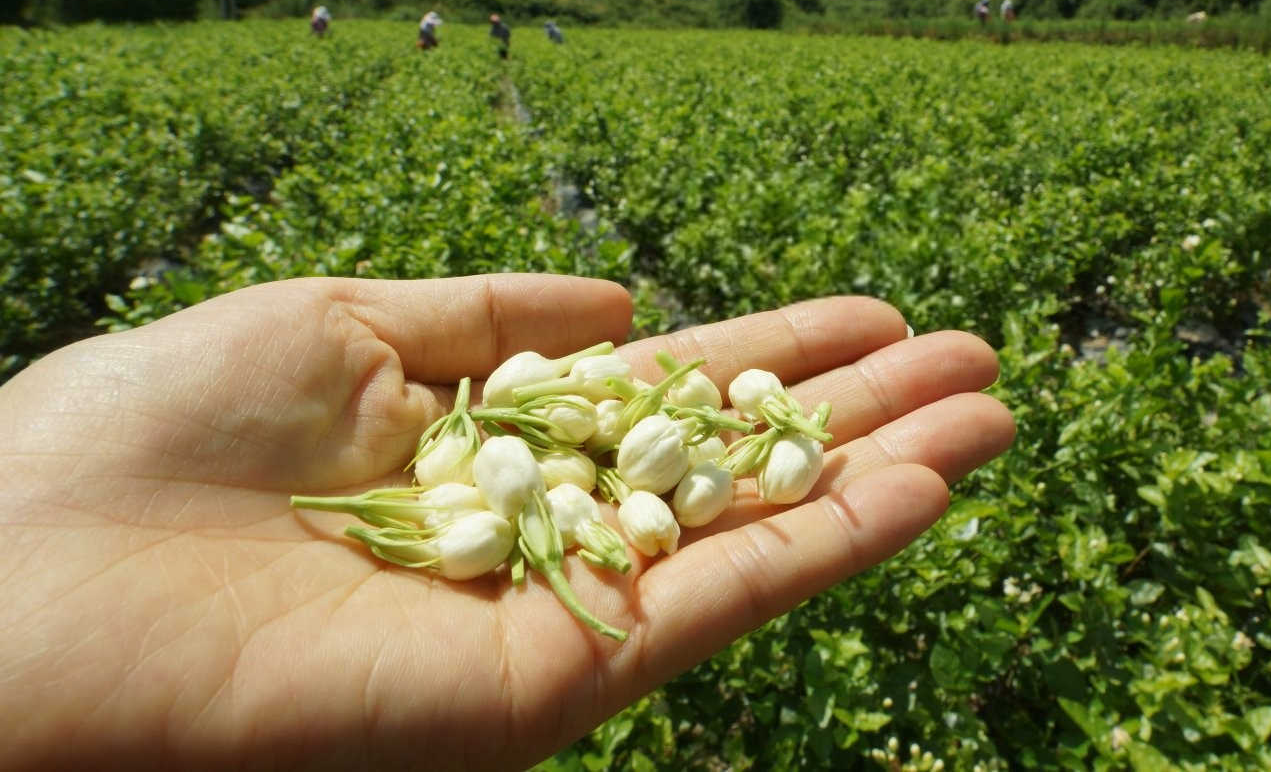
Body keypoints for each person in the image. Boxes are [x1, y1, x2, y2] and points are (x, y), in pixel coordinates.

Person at [0, 273, 1014, 767]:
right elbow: (556, 466)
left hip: (527, 479)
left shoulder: (579, 458)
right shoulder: (505, 469)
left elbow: (608, 461)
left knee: (641, 481)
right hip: (504, 486)